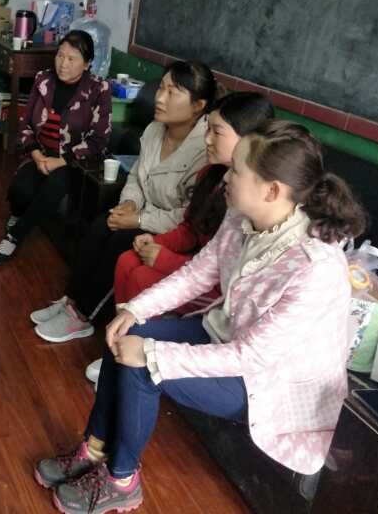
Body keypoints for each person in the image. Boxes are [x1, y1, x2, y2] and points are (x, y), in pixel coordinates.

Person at [34, 119, 367, 514]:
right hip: (229, 339)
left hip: (268, 383)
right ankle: (93, 448)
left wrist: (154, 353)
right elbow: (198, 274)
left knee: (143, 365)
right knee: (124, 334)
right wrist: (135, 309)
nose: (226, 176)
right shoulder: (242, 216)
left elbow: (251, 358)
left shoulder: (314, 268)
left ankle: (121, 480)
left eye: (237, 170)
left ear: (272, 190)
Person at [85, 91, 275, 383]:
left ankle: (143, 357)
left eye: (216, 132)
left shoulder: (247, 202)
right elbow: (190, 228)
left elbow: (218, 273)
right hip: (198, 266)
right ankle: (121, 346)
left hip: (218, 290)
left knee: (141, 276)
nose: (206, 139)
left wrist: (164, 258)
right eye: (207, 129)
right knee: (126, 260)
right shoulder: (211, 175)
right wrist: (157, 243)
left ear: (250, 140)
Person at [31, 60, 216, 343]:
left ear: (198, 106)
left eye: (172, 92)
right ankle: (72, 299)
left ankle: (84, 315)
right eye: (161, 88)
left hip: (172, 230)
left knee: (120, 241)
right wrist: (129, 204)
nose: (159, 98)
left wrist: (139, 220)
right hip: (142, 212)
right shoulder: (154, 129)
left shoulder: (205, 149)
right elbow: (137, 177)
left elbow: (188, 215)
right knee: (100, 225)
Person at [0, 30, 112, 265]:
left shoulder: (99, 89)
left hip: (74, 162)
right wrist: (37, 156)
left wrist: (61, 161)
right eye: (60, 55)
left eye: (71, 58)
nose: (63, 64)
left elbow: (99, 139)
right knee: (19, 190)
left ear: (87, 64)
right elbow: (25, 124)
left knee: (55, 185)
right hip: (42, 154)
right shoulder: (43, 80)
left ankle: (15, 236)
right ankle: (18, 214)